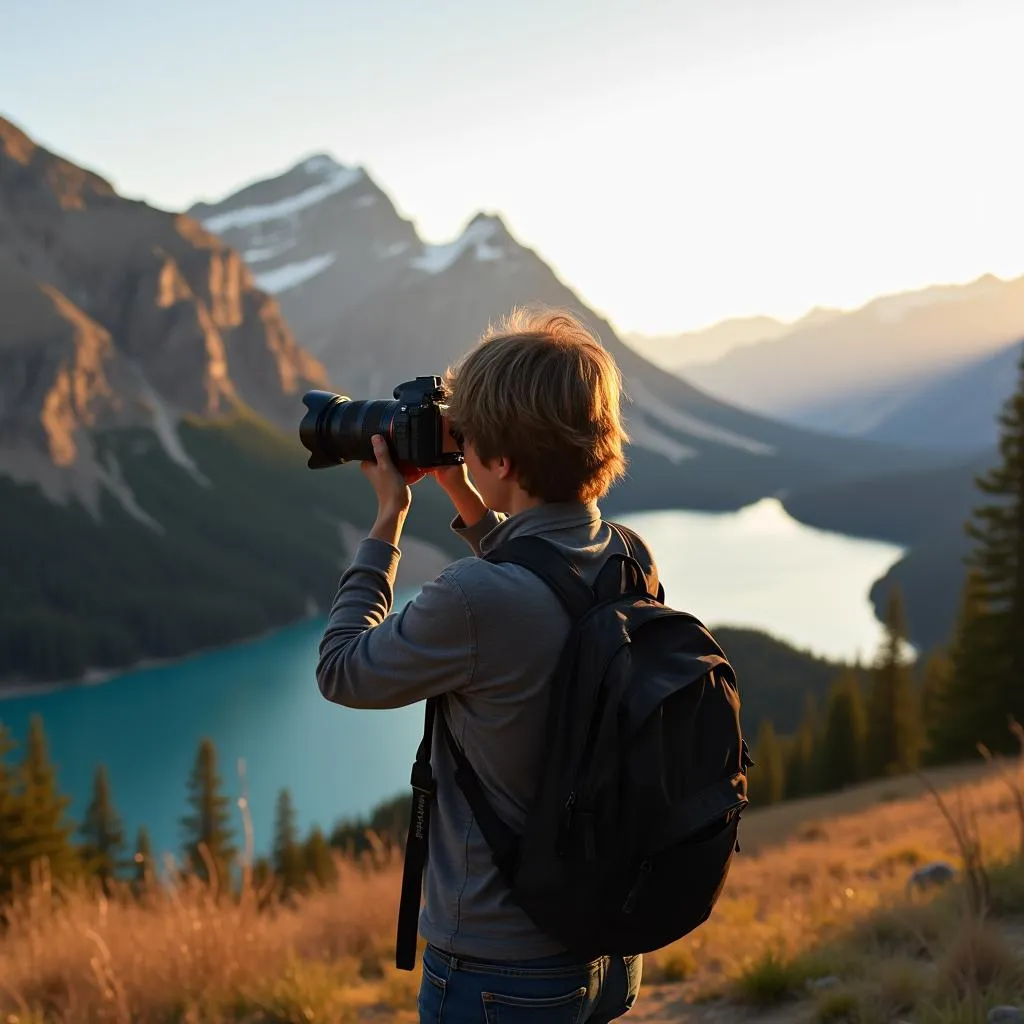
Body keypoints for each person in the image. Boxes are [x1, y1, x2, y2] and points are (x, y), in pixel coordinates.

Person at [316, 307, 649, 1022]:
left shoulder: (474, 599)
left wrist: (386, 524)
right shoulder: (627, 555)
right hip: (607, 948)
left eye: (472, 443)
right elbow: (543, 580)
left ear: (503, 462)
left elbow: (342, 671)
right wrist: (467, 497)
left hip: (501, 969)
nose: (460, 449)